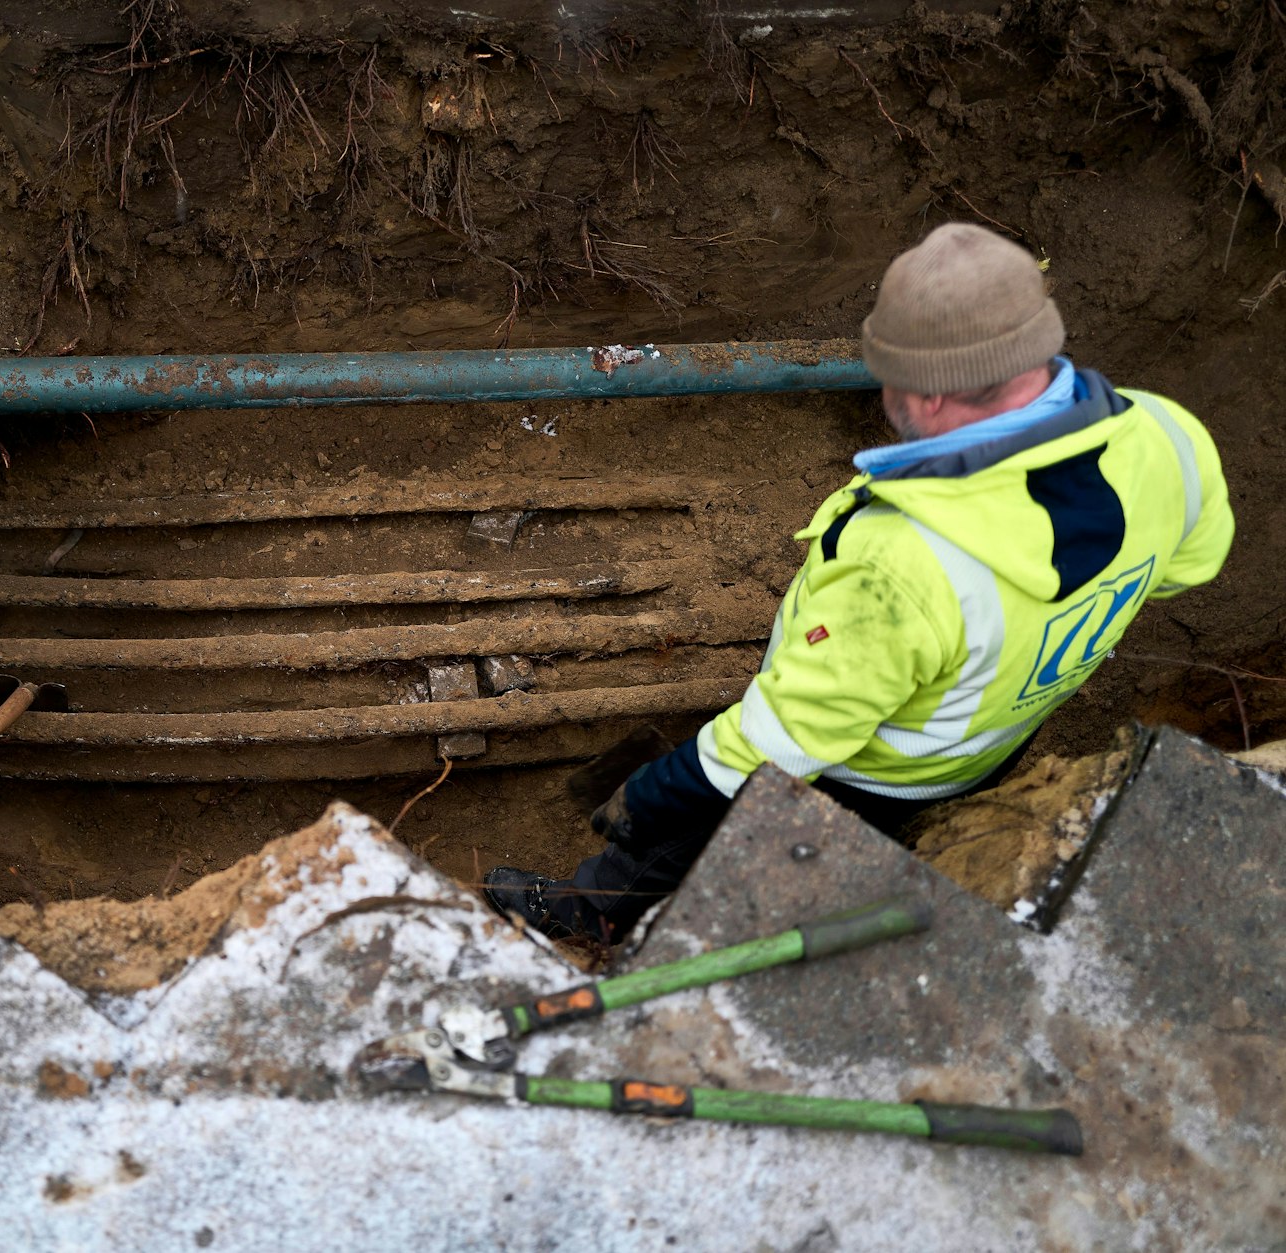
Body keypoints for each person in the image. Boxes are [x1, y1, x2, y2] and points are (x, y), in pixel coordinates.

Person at [485, 222, 1235, 942]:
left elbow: (781, 745)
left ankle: (598, 911)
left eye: (888, 378)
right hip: (985, 744)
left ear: (931, 393)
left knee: (693, 829)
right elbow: (1183, 570)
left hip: (863, 766)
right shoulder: (1167, 435)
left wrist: (661, 792)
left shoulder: (900, 566)